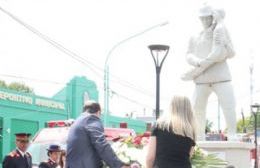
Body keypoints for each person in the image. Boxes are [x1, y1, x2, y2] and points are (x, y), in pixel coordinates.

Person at [182, 5, 236, 141]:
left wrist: (222, 48)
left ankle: (233, 134)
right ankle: (199, 136)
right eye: (203, 18)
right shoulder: (194, 37)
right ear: (200, 19)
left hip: (221, 77)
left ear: (213, 17)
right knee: (197, 109)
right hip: (201, 78)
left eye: (208, 18)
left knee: (228, 106)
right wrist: (198, 62)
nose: (206, 21)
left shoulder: (221, 31)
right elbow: (188, 54)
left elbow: (232, 52)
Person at [66, 100, 130, 168]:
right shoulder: (91, 119)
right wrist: (119, 165)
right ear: (98, 112)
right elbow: (101, 144)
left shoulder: (77, 121)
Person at [146, 96, 196, 168]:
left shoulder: (159, 125)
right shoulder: (191, 131)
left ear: (171, 107)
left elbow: (150, 157)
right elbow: (188, 156)